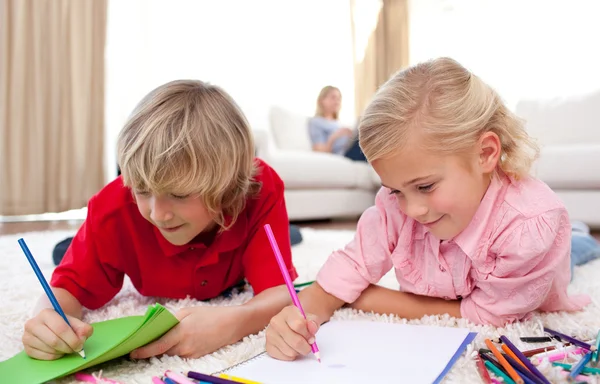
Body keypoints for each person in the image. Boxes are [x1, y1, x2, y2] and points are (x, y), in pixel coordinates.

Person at [265, 57, 598, 362]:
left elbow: (486, 315)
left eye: (425, 187)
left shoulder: (529, 227)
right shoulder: (398, 203)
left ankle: (578, 233)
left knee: (573, 249)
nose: (412, 209)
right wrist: (304, 315)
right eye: (395, 189)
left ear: (484, 153)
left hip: (536, 258)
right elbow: (353, 263)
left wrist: (363, 297)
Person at [22, 80, 297, 361]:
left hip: (233, 266)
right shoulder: (113, 206)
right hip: (114, 228)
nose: (157, 213)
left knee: (290, 236)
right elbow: (65, 291)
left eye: (178, 194)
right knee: (67, 252)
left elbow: (283, 294)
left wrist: (235, 322)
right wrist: (46, 320)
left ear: (228, 186)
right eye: (142, 190)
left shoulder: (260, 188)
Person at [308, 86, 367, 162]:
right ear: (322, 100)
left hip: (354, 145)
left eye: (339, 99)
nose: (337, 102)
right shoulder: (316, 122)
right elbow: (319, 151)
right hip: (345, 153)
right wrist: (335, 136)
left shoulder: (339, 123)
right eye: (333, 98)